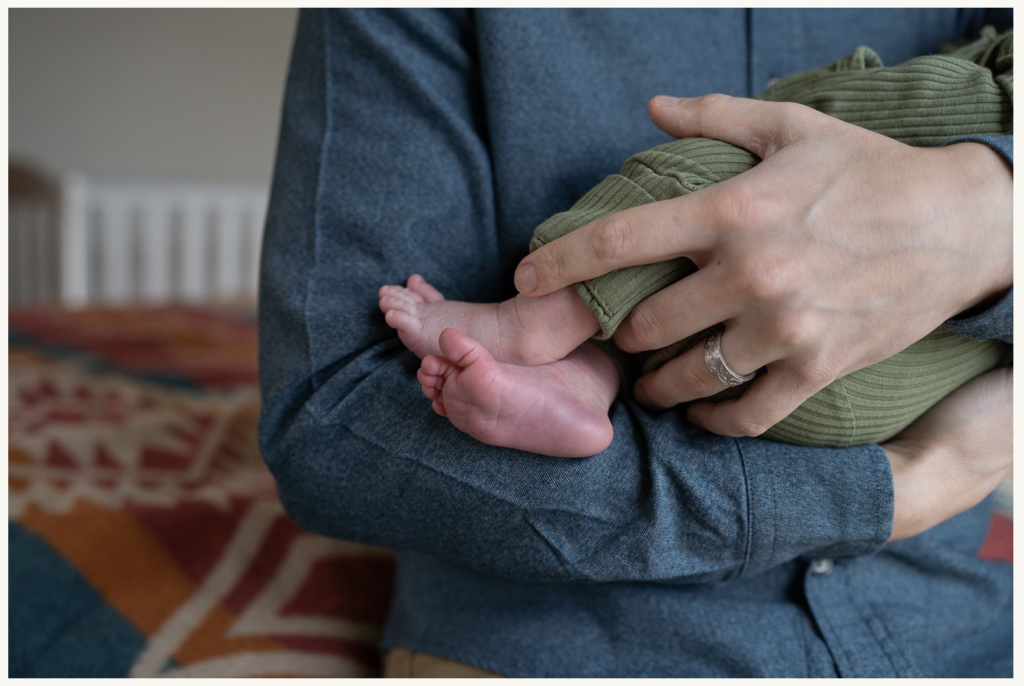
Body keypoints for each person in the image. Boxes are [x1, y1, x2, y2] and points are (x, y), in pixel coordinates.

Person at [258, 9, 1012, 677]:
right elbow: (331, 426)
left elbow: (856, 102)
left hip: (961, 617)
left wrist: (994, 207)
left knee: (722, 167)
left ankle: (546, 331)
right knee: (759, 195)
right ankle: (575, 366)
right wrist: (899, 488)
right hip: (572, 641)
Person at [378, 29, 1011, 456]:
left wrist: (782, 109)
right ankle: (579, 382)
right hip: (859, 403)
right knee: (710, 266)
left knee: (734, 167)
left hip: (805, 370)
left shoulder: (991, 80)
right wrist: (914, 486)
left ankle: (534, 319)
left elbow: (850, 114)